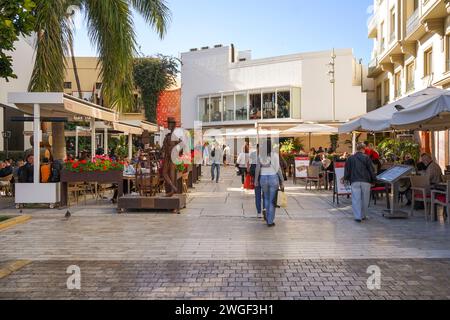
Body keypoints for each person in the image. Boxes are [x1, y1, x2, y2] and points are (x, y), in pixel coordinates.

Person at [344, 143, 377, 223]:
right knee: (365, 199)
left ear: (356, 149)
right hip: (366, 181)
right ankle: (364, 215)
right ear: (363, 149)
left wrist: (346, 178)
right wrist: (374, 180)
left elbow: (347, 170)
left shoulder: (350, 158)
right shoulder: (367, 158)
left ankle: (357, 216)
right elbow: (371, 170)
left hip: (354, 180)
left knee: (356, 199)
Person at [254, 140, 285, 227]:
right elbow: (278, 169)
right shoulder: (275, 155)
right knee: (272, 201)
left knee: (266, 199)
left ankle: (267, 217)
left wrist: (256, 180)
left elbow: (257, 168)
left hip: (263, 179)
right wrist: (282, 180)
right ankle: (270, 221)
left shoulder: (260, 156)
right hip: (273, 178)